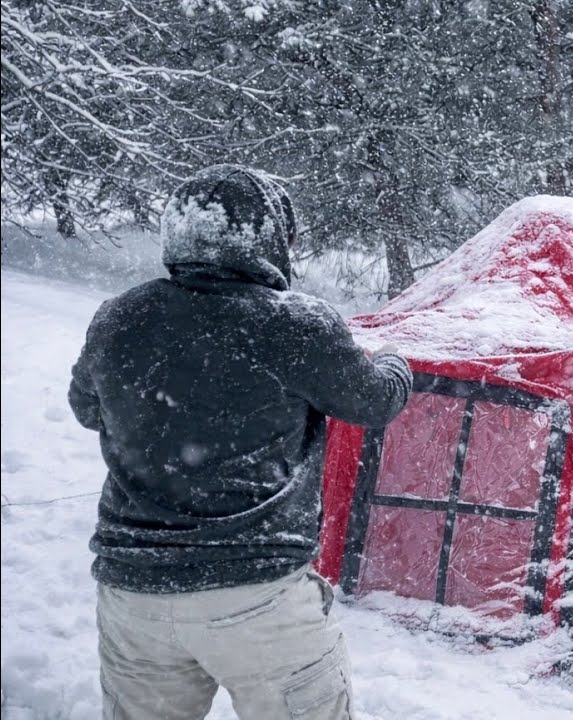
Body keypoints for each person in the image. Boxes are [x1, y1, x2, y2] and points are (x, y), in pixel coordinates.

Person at [67, 164, 412, 719]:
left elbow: (86, 409)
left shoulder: (119, 317)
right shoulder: (294, 324)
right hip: (258, 596)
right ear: (270, 238)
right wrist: (394, 358)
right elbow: (375, 401)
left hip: (134, 594)